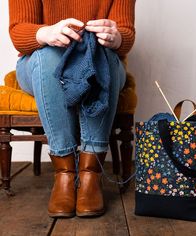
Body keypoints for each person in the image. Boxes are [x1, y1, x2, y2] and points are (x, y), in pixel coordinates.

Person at [9, 0, 135, 218]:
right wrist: (45, 33)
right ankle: (64, 173)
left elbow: (126, 34)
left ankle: (90, 174)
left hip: (101, 60)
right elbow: (18, 32)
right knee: (49, 56)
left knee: (99, 56)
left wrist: (117, 38)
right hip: (41, 62)